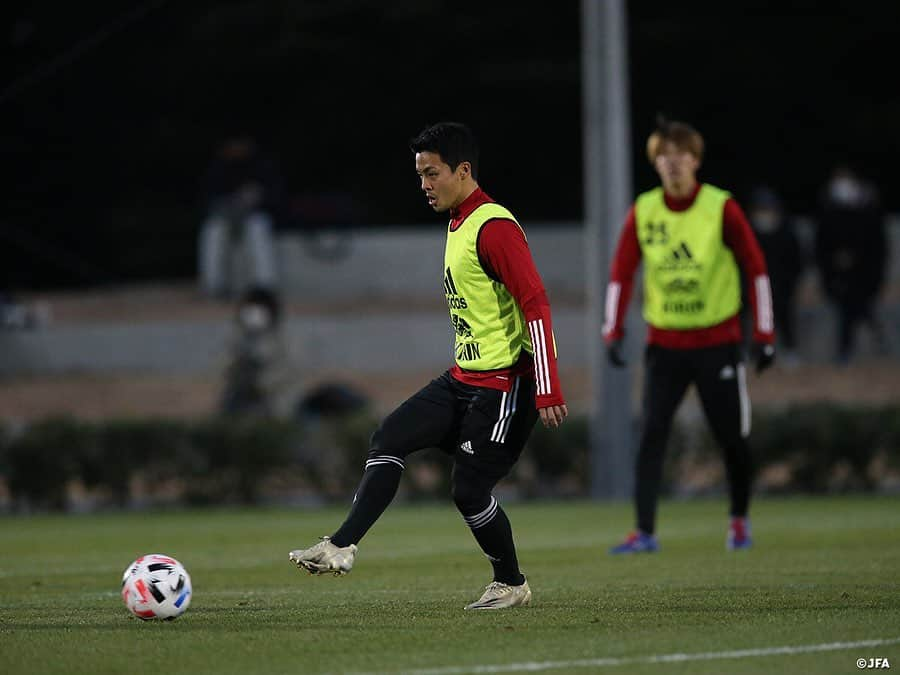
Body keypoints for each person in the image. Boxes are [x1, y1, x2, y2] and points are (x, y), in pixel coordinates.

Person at [288, 122, 567, 609]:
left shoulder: (494, 227)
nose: (425, 185)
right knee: (390, 436)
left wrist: (547, 386)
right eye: (420, 175)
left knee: (470, 491)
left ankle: (511, 583)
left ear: (463, 171)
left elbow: (536, 304)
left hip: (505, 385)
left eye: (432, 173)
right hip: (463, 378)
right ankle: (340, 546)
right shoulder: (459, 222)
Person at [602, 118, 775, 554]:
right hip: (665, 347)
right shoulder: (645, 210)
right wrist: (613, 328)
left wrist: (765, 331)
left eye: (680, 156)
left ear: (696, 161)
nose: (671, 164)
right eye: (663, 157)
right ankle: (644, 532)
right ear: (655, 164)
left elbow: (756, 268)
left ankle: (738, 521)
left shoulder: (721, 207)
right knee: (652, 436)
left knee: (731, 437)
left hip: (717, 344)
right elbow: (621, 273)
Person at [814, 166, 888, 364]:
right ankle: (863, 344)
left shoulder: (869, 210)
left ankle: (855, 348)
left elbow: (877, 246)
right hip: (840, 277)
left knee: (856, 309)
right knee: (851, 311)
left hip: (865, 274)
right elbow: (822, 246)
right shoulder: (829, 211)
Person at [198, 136, 283, 298]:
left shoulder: (261, 165)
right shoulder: (218, 166)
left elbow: (275, 197)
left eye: (241, 143)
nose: (237, 148)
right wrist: (226, 205)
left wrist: (257, 198)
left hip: (253, 216)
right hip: (224, 218)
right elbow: (206, 200)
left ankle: (265, 285)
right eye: (233, 144)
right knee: (212, 230)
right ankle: (213, 286)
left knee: (258, 227)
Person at [747, 186, 803, 363]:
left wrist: (791, 284)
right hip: (752, 287)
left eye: (768, 209)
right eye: (761, 210)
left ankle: (790, 352)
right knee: (750, 322)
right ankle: (751, 354)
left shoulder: (786, 232)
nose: (764, 214)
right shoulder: (748, 233)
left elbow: (796, 262)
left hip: (781, 286)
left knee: (784, 318)